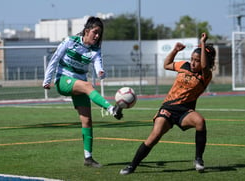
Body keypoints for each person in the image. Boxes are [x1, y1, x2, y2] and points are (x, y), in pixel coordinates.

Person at [120, 32, 216, 175]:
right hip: (168, 108)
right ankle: (132, 166)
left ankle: (198, 159)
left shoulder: (205, 74)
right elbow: (166, 65)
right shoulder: (184, 65)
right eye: (192, 58)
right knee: (155, 136)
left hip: (185, 111)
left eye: (196, 59)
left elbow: (203, 65)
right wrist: (175, 50)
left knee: (200, 121)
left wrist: (202, 42)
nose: (193, 62)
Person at [43, 16, 123, 168]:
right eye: (95, 32)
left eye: (100, 33)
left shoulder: (95, 50)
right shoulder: (70, 41)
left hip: (78, 84)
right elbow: (54, 59)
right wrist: (47, 80)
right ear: (87, 31)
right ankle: (112, 109)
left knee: (87, 121)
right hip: (63, 80)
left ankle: (88, 158)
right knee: (88, 86)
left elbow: (99, 65)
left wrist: (101, 73)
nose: (98, 36)